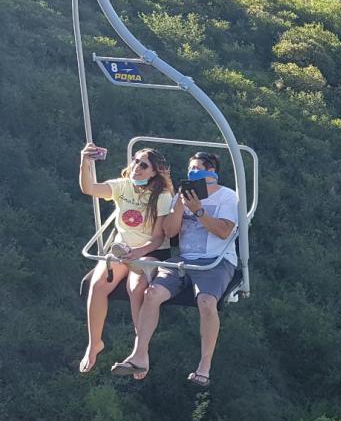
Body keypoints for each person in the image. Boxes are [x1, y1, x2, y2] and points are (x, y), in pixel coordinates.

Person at [113, 152, 238, 387]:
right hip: (183, 260)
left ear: (211, 172)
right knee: (152, 294)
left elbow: (224, 231)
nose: (192, 174)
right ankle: (139, 355)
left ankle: (204, 366)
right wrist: (181, 204)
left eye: (198, 169)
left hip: (214, 260)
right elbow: (170, 232)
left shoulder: (227, 197)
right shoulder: (180, 197)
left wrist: (199, 210)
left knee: (206, 302)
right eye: (190, 169)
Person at [78, 145, 173, 374]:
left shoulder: (161, 195)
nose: (136, 168)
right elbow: (89, 188)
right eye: (135, 161)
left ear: (154, 172)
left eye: (143, 165)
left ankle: (140, 352)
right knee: (98, 284)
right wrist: (85, 161)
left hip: (150, 249)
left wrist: (138, 253)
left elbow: (159, 237)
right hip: (122, 249)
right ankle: (94, 343)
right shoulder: (121, 186)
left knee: (136, 288)